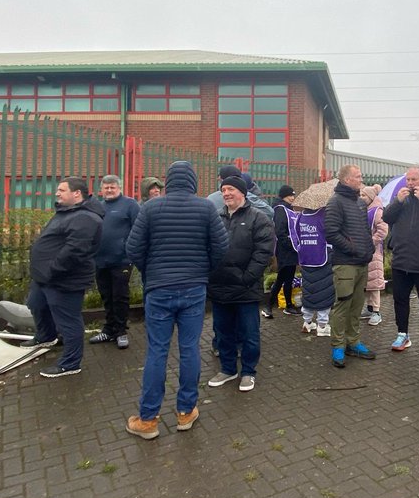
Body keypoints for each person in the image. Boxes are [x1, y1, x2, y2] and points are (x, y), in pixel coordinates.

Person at [125, 161, 228, 439]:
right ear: (193, 181)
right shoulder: (205, 207)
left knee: (157, 351)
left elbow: (133, 248)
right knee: (190, 349)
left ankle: (147, 420)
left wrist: (152, 271)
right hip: (194, 289)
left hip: (159, 290)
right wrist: (202, 271)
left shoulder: (150, 208)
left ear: (167, 181)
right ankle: (186, 412)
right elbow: (221, 246)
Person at [27, 177, 105, 378]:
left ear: (77, 193)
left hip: (64, 279)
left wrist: (51, 270)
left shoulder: (86, 218)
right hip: (45, 277)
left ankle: (70, 363)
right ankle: (46, 337)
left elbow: (75, 250)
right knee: (36, 304)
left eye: (62, 190)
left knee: (68, 321)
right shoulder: (67, 212)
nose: (57, 193)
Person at [207, 176, 275, 392]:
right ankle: (228, 369)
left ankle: (248, 371)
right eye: (223, 190)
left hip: (246, 288)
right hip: (219, 286)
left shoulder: (258, 218)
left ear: (243, 193)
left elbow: (263, 252)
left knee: (249, 333)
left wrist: (247, 278)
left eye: (231, 189)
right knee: (223, 332)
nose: (226, 193)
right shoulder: (216, 219)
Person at [381, 166, 419, 357]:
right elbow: (386, 217)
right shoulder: (401, 198)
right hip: (401, 260)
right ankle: (402, 334)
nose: (410, 183)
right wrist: (398, 201)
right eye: (408, 180)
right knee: (400, 300)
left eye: (414, 179)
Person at [324, 165, 376, 368]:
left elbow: (364, 229)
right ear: (346, 180)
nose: (361, 178)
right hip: (345, 264)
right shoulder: (335, 202)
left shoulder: (360, 203)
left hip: (362, 263)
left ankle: (353, 342)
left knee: (356, 305)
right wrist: (354, 249)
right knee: (342, 305)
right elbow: (331, 233)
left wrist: (369, 248)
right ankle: (338, 346)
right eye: (357, 176)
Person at [90, 174, 140, 349]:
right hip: (100, 259)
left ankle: (120, 331)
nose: (109, 190)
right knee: (106, 295)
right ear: (101, 189)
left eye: (113, 187)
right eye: (106, 187)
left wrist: (127, 248)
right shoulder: (98, 206)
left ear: (120, 188)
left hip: (122, 260)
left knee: (120, 296)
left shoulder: (130, 205)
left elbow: (138, 228)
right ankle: (108, 329)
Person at [264, 185, 302, 319]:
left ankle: (289, 305)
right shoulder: (280, 210)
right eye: (290, 195)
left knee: (289, 278)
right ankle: (268, 307)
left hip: (292, 250)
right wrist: (290, 245)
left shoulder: (289, 209)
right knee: (281, 277)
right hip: (285, 250)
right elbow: (280, 232)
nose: (293, 197)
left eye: (293, 195)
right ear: (283, 195)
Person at [359, 186, 389, 326]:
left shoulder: (377, 211)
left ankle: (376, 311)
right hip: (365, 251)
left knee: (375, 282)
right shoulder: (365, 209)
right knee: (368, 281)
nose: (361, 197)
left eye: (364, 195)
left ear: (370, 197)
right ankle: (370, 308)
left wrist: (371, 241)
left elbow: (383, 230)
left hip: (374, 251)